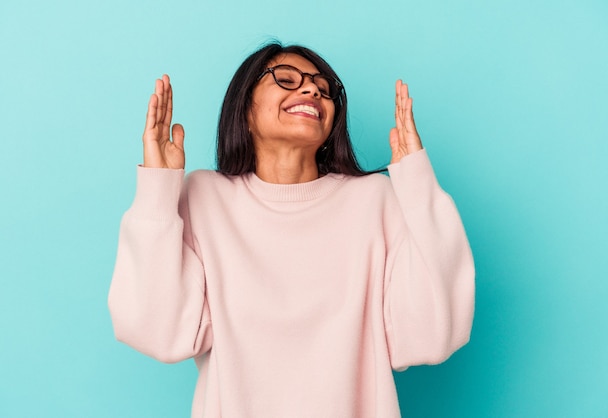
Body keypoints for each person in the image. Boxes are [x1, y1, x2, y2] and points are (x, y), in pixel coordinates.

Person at [108, 42, 475, 418]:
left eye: (324, 87)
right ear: (245, 110)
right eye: (285, 79)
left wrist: (416, 183)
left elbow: (432, 335)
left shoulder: (374, 200)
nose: (313, 90)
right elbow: (156, 331)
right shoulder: (204, 197)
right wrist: (157, 189)